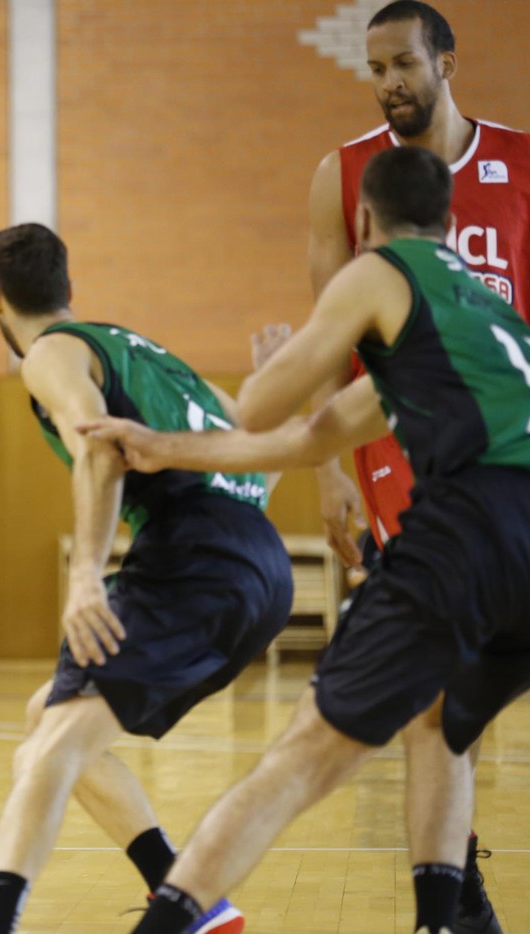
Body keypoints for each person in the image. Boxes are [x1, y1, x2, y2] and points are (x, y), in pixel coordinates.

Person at [84, 147, 530, 934]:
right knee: (442, 722)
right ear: (453, 221)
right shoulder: (480, 314)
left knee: (301, 756)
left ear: (363, 223)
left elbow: (259, 411)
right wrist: (164, 447)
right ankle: (450, 923)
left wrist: (268, 368)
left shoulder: (381, 268)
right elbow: (310, 439)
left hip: (474, 527)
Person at [0, 222, 293, 934]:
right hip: (262, 568)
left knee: (51, 748)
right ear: (70, 289)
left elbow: (100, 451)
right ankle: (189, 897)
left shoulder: (51, 353)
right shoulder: (155, 358)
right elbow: (260, 464)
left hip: (193, 559)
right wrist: (271, 386)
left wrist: (85, 573)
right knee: (45, 722)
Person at [306, 6, 528, 927]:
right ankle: (453, 883)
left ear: (445, 60)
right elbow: (329, 330)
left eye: (403, 63)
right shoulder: (344, 173)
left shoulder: (519, 166)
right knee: (437, 684)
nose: (389, 82)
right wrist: (328, 470)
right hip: (399, 447)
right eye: (375, 69)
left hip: (509, 446)